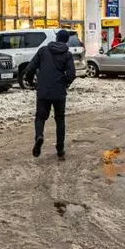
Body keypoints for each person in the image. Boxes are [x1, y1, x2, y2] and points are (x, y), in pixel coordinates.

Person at [26, 29, 77, 160]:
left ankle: (39, 136)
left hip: (43, 90)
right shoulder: (67, 55)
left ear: (56, 38)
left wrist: (31, 82)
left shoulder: (43, 51)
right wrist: (64, 83)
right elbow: (71, 74)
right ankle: (60, 150)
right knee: (60, 119)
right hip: (59, 92)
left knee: (40, 117)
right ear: (66, 40)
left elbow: (30, 68)